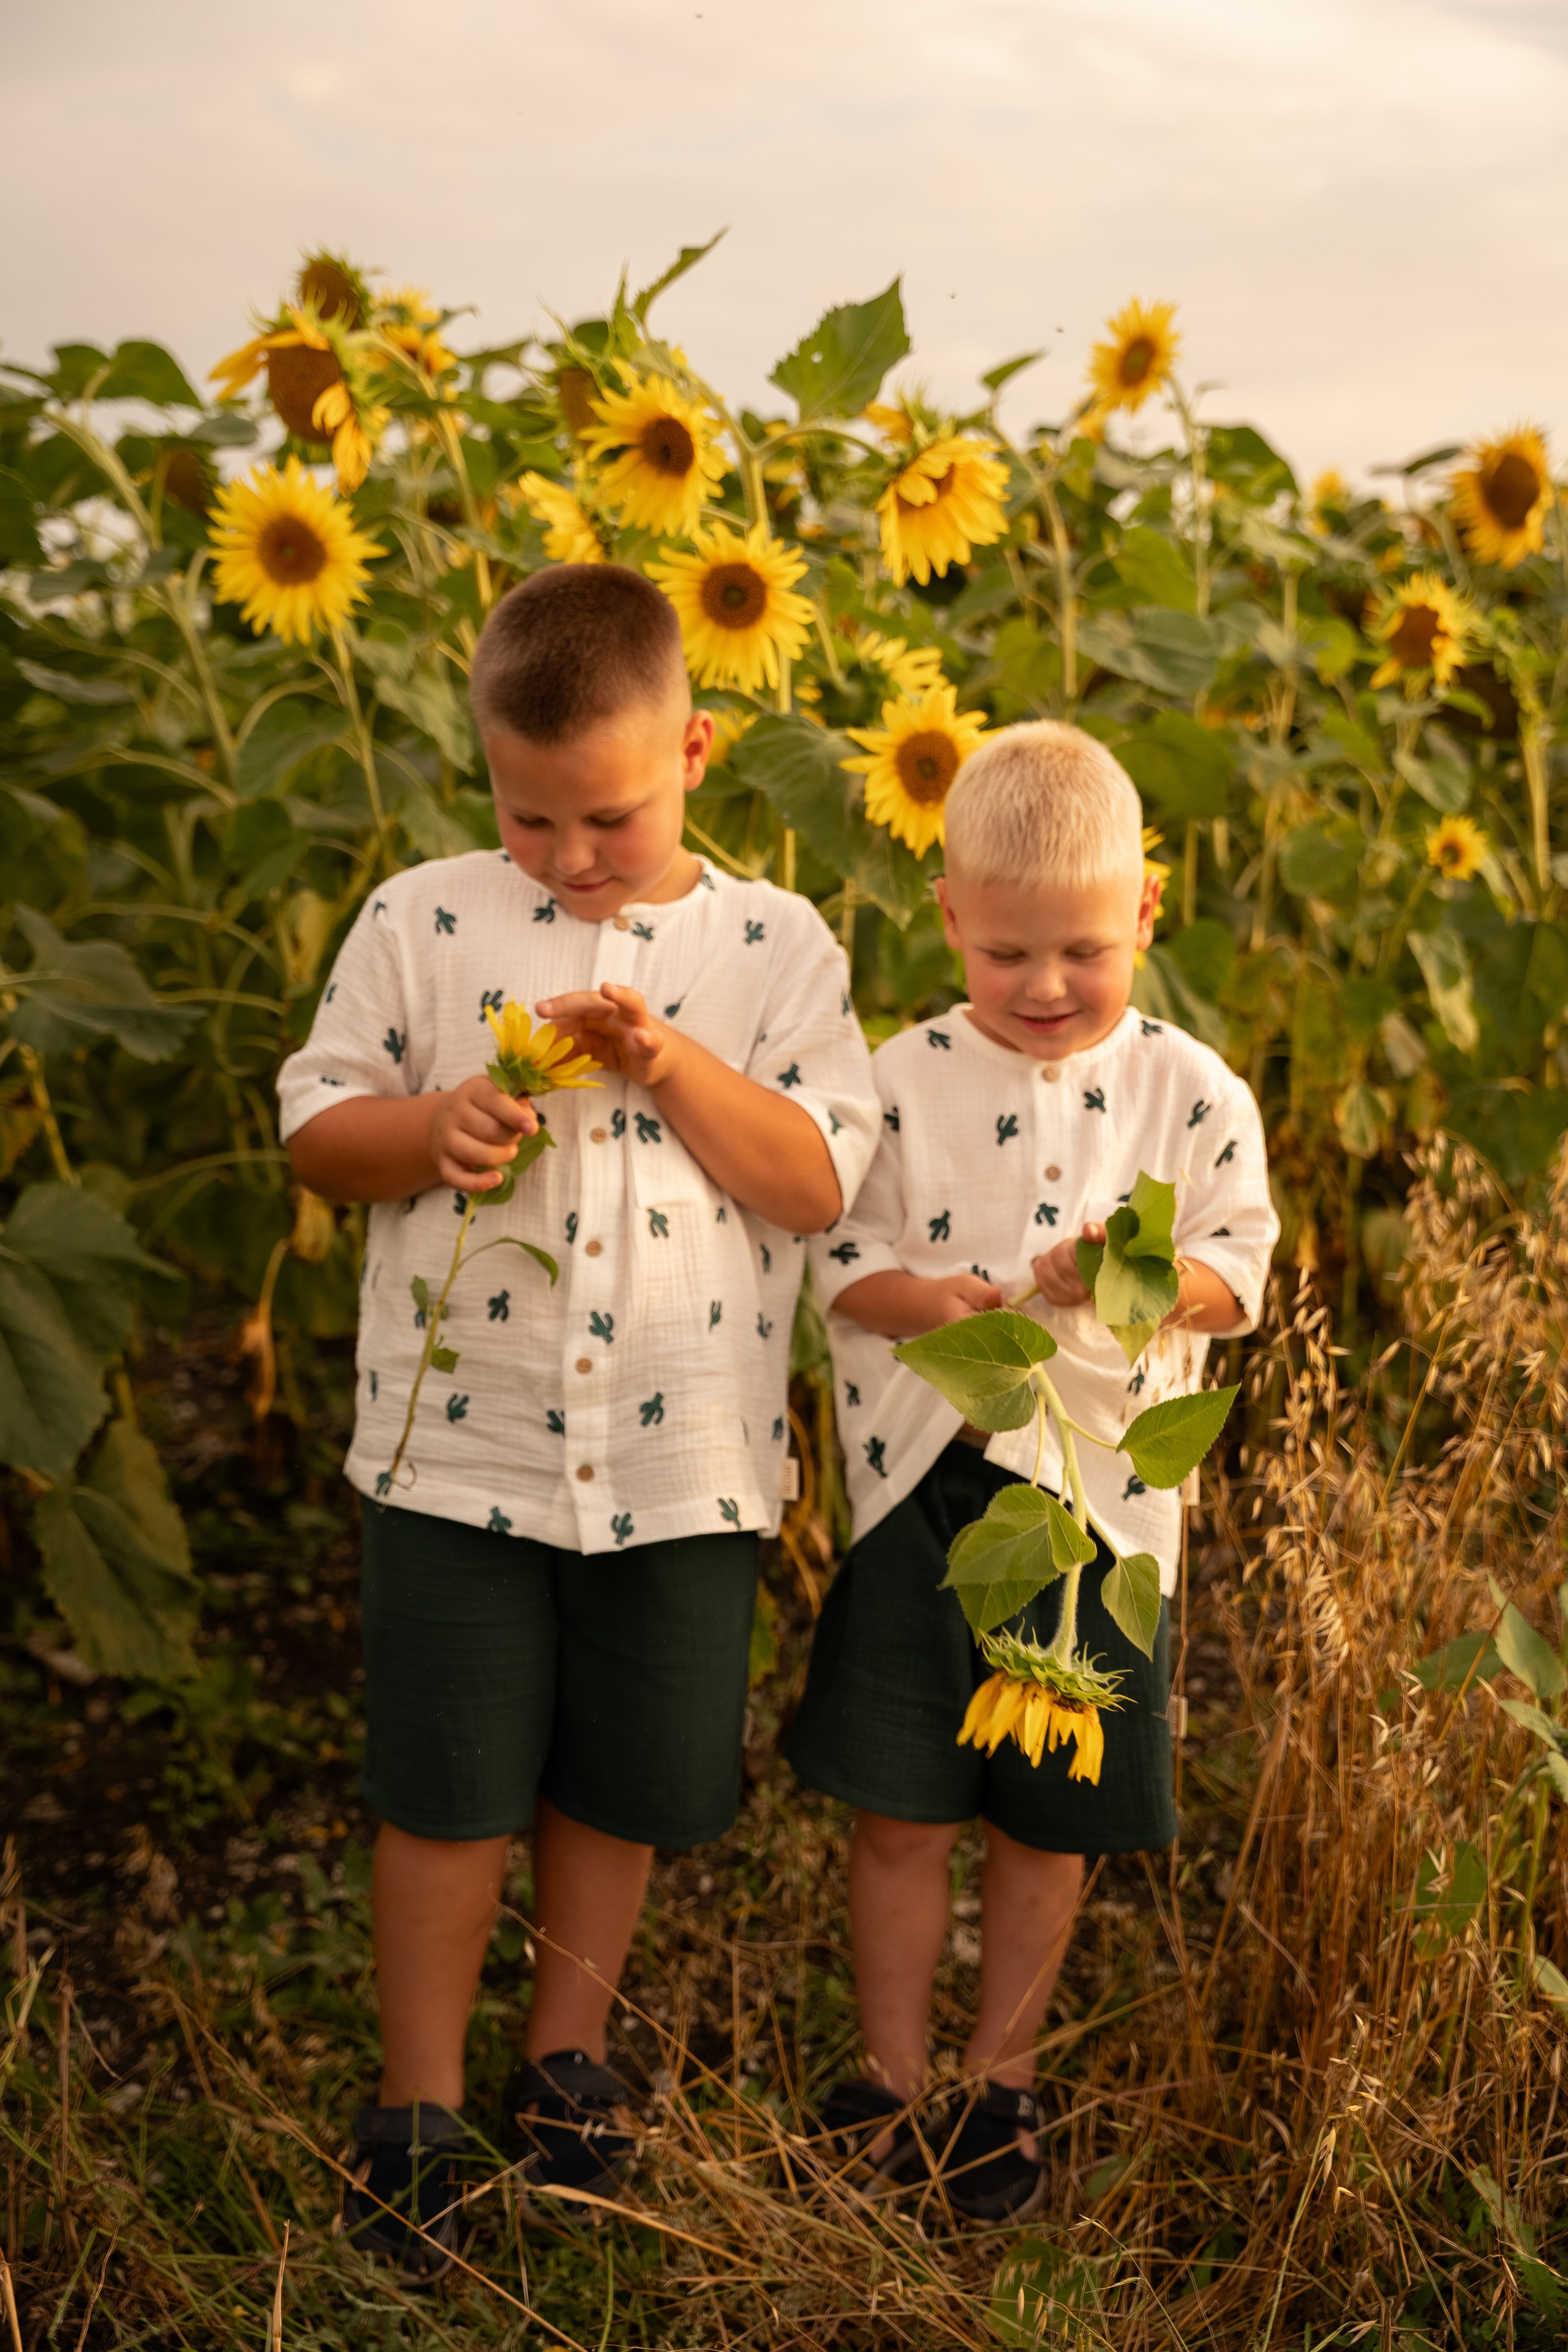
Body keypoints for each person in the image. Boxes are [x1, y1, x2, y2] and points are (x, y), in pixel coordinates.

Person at [279, 562, 878, 2273]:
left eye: (606, 817)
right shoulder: (425, 917)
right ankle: (415, 2108)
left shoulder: (772, 951)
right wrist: (436, 1127)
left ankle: (567, 2064)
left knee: (621, 1781)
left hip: (682, 1462)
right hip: (454, 1449)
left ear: (696, 749)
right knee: (449, 1785)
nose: (566, 860)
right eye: (525, 818)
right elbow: (318, 1124)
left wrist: (668, 1063)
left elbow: (823, 1178)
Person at [788, 720, 1278, 2222]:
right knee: (900, 1810)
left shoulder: (1186, 1091)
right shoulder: (896, 1079)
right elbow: (838, 1252)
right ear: (946, 919)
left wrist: (1132, 1271)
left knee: (1043, 1820)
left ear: (1145, 908)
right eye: (1005, 955)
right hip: (919, 1484)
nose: (1046, 988)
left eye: (1080, 947)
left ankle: (1001, 2090)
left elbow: (1239, 1272)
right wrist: (927, 1305)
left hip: (1099, 1507)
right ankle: (889, 2077)